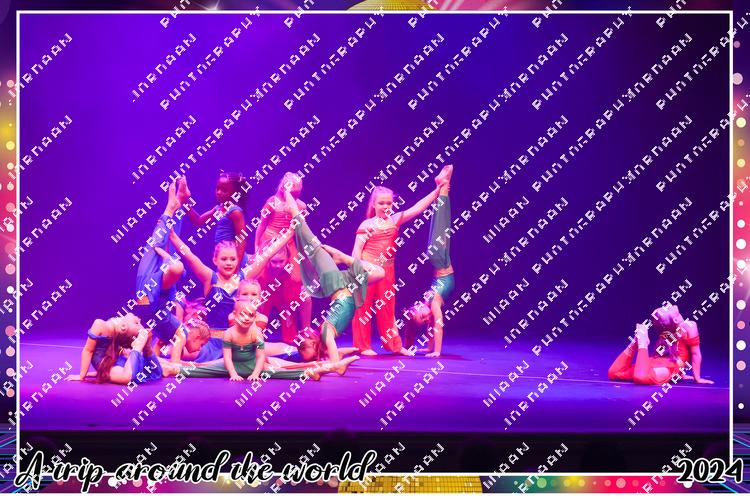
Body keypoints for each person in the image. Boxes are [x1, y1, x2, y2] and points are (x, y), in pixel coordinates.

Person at [351, 167, 452, 356]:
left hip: (387, 271)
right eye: (381, 203)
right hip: (367, 271)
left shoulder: (395, 219)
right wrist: (359, 270)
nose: (385, 206)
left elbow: (418, 208)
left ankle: (394, 346)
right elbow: (356, 251)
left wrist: (437, 191)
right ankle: (363, 347)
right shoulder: (367, 225)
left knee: (387, 310)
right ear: (373, 204)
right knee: (362, 309)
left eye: (389, 203)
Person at [167, 218, 295, 362]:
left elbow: (267, 255)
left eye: (232, 259)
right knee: (170, 351)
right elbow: (190, 256)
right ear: (215, 260)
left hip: (241, 343)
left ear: (237, 260)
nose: (228, 263)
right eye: (224, 259)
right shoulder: (210, 278)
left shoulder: (243, 277)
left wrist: (290, 233)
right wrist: (172, 236)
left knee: (290, 351)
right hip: (212, 345)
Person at [284, 189, 385, 363]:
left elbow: (330, 349)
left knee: (379, 273)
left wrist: (335, 356)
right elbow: (331, 350)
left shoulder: (325, 332)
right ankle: (342, 257)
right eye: (306, 342)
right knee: (380, 272)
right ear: (314, 345)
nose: (306, 335)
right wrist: (334, 362)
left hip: (338, 287)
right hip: (339, 287)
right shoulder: (326, 333)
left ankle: (341, 257)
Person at [167, 299, 357, 380]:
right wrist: (233, 373)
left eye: (251, 315)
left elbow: (260, 356)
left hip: (252, 364)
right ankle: (325, 362)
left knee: (285, 367)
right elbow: (226, 357)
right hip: (231, 364)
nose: (247, 319)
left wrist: (257, 371)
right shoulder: (227, 334)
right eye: (243, 315)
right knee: (197, 368)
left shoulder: (253, 333)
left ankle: (329, 364)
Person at [402, 166, 454, 357]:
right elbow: (438, 325)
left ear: (416, 307)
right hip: (443, 267)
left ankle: (443, 188)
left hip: (439, 266)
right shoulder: (434, 305)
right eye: (424, 319)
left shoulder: (428, 305)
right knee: (441, 225)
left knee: (437, 226)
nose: (426, 317)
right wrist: (437, 352)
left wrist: (429, 348)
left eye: (421, 316)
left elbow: (431, 328)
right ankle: (444, 185)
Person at [254, 172, 312, 330]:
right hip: (269, 239)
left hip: (289, 241)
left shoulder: (301, 206)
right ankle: (258, 325)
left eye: (297, 192)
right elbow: (262, 224)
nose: (294, 195)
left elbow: (301, 231)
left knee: (295, 278)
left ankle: (298, 325)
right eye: (292, 192)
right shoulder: (272, 202)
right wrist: (257, 247)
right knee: (262, 277)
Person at [608, 305, 713, 385]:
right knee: (623, 374)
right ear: (675, 319)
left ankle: (638, 342)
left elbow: (678, 352)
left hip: (669, 364)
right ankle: (641, 342)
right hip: (665, 363)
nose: (667, 305)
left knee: (628, 374)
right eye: (666, 309)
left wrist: (681, 373)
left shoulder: (677, 329)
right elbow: (695, 354)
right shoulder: (689, 325)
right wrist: (697, 378)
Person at [186, 171, 249, 266]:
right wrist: (185, 203)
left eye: (224, 190)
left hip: (234, 259)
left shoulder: (235, 212)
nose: (219, 192)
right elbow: (198, 221)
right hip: (224, 256)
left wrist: (236, 265)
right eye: (217, 188)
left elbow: (242, 240)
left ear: (235, 193)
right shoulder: (218, 208)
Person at [65, 314, 143, 381]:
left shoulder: (99, 324)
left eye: (137, 323)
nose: (139, 319)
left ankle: (106, 371)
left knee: (128, 374)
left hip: (103, 363)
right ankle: (105, 371)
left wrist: (81, 376)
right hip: (106, 362)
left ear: (123, 326)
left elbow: (88, 350)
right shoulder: (116, 329)